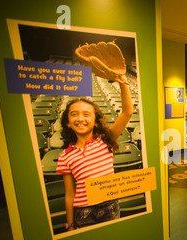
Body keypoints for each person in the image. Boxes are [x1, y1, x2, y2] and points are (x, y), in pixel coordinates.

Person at [56, 80, 133, 231]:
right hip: (84, 212)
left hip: (110, 206)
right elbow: (70, 194)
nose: (80, 118)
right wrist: (70, 224)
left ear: (96, 122)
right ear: (67, 123)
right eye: (74, 114)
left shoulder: (106, 141)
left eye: (86, 114)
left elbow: (127, 112)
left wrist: (122, 81)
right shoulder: (64, 156)